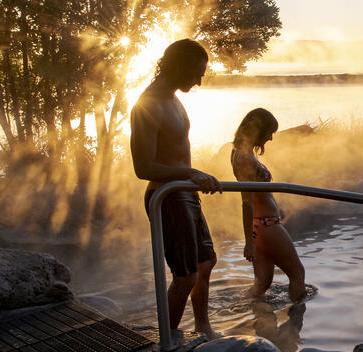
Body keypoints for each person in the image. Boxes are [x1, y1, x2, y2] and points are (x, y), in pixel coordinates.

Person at [130, 39, 223, 340]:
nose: (198, 81)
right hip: (168, 197)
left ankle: (202, 326)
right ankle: (168, 340)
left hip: (184, 191)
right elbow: (142, 168)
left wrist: (191, 177)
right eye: (196, 73)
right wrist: (190, 173)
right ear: (179, 66)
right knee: (185, 275)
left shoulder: (172, 97)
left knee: (205, 263)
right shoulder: (148, 104)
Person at [230, 108, 307, 302]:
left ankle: (241, 311)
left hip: (261, 226)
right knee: (298, 274)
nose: (271, 138)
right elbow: (246, 202)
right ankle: (297, 324)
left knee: (262, 283)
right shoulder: (245, 158)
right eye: (269, 132)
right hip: (267, 225)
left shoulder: (241, 153)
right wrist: (248, 242)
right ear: (259, 129)